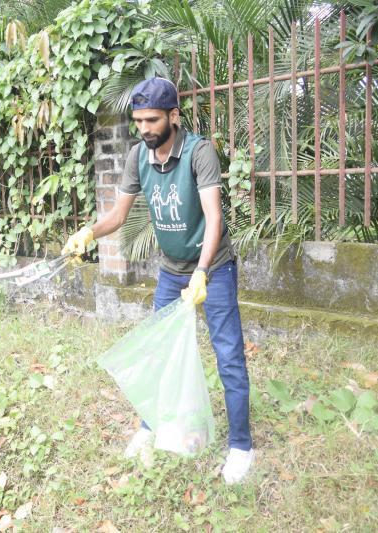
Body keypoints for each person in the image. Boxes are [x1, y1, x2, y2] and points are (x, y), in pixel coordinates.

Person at [62, 78, 254, 484]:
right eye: (138, 121)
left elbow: (214, 217)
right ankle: (150, 427)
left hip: (214, 269)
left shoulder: (199, 152)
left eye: (152, 120)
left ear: (173, 116)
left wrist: (202, 272)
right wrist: (89, 233)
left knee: (229, 356)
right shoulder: (138, 156)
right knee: (159, 351)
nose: (144, 128)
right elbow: (118, 215)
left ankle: (241, 446)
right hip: (170, 269)